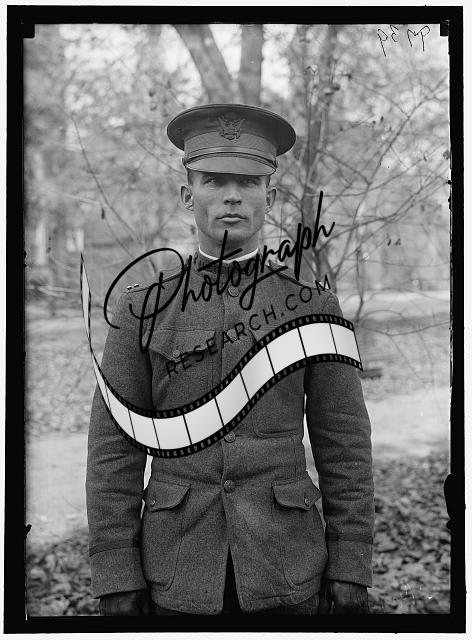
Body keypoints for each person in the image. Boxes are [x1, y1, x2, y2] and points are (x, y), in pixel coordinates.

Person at [86, 104, 374, 616]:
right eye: (214, 180)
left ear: (271, 196)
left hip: (287, 565)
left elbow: (344, 443)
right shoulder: (142, 309)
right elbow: (113, 450)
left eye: (248, 181)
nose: (232, 195)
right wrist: (116, 572)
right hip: (174, 568)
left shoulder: (313, 306)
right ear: (187, 195)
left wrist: (351, 563)